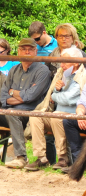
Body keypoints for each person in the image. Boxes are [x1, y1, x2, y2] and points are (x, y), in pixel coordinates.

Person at [26, 47, 86, 171]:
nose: (62, 65)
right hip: (56, 116)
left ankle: (63, 158)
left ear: (77, 62)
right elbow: (52, 95)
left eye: (65, 61)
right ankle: (41, 158)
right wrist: (57, 90)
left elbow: (69, 99)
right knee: (35, 115)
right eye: (61, 61)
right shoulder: (61, 73)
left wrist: (55, 95)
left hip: (72, 119)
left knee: (57, 116)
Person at [0, 38, 52, 169]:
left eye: (30, 49)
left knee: (12, 113)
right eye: (23, 49)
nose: (26, 52)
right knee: (11, 112)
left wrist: (12, 92)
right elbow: (3, 95)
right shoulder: (14, 70)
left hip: (32, 112)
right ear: (18, 51)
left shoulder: (43, 71)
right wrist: (17, 96)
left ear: (35, 51)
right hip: (11, 111)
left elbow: (31, 97)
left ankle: (21, 157)